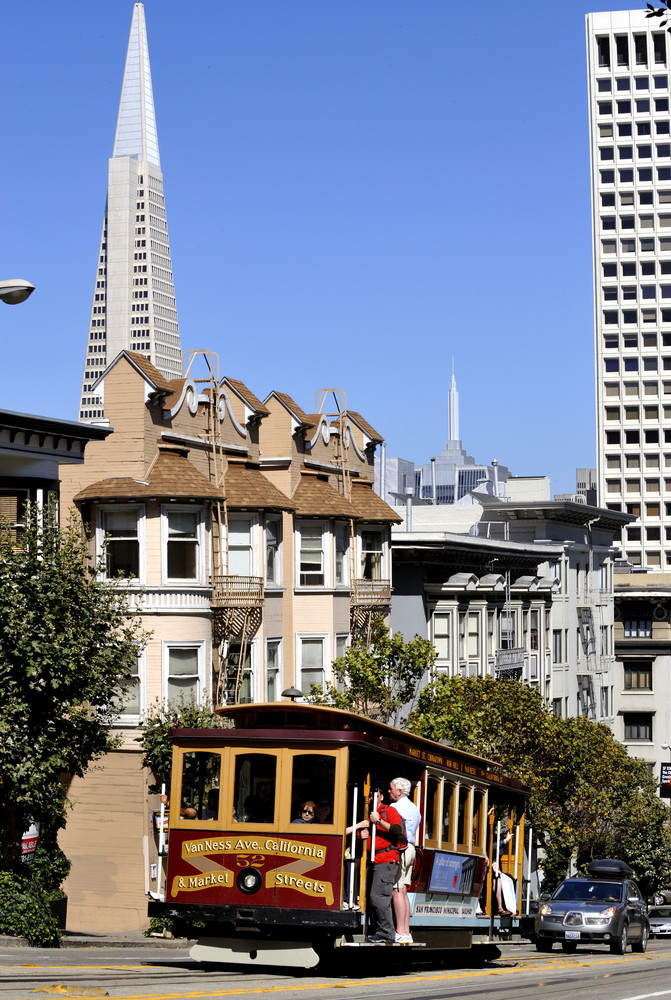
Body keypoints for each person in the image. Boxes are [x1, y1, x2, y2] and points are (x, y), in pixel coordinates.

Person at [367, 786, 403, 943]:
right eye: (368, 796)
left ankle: (386, 933)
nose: (371, 799)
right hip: (372, 860)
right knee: (374, 897)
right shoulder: (367, 815)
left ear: (381, 797)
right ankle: (379, 930)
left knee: (379, 896)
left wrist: (379, 821)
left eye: (374, 796)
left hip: (386, 860)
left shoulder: (389, 811)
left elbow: (396, 830)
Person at [389, 777, 421, 944]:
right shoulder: (414, 808)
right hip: (411, 849)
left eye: (391, 788)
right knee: (404, 890)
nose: (389, 791)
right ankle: (406, 931)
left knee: (397, 890)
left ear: (399, 791)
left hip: (400, 848)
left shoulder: (395, 807)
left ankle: (400, 931)